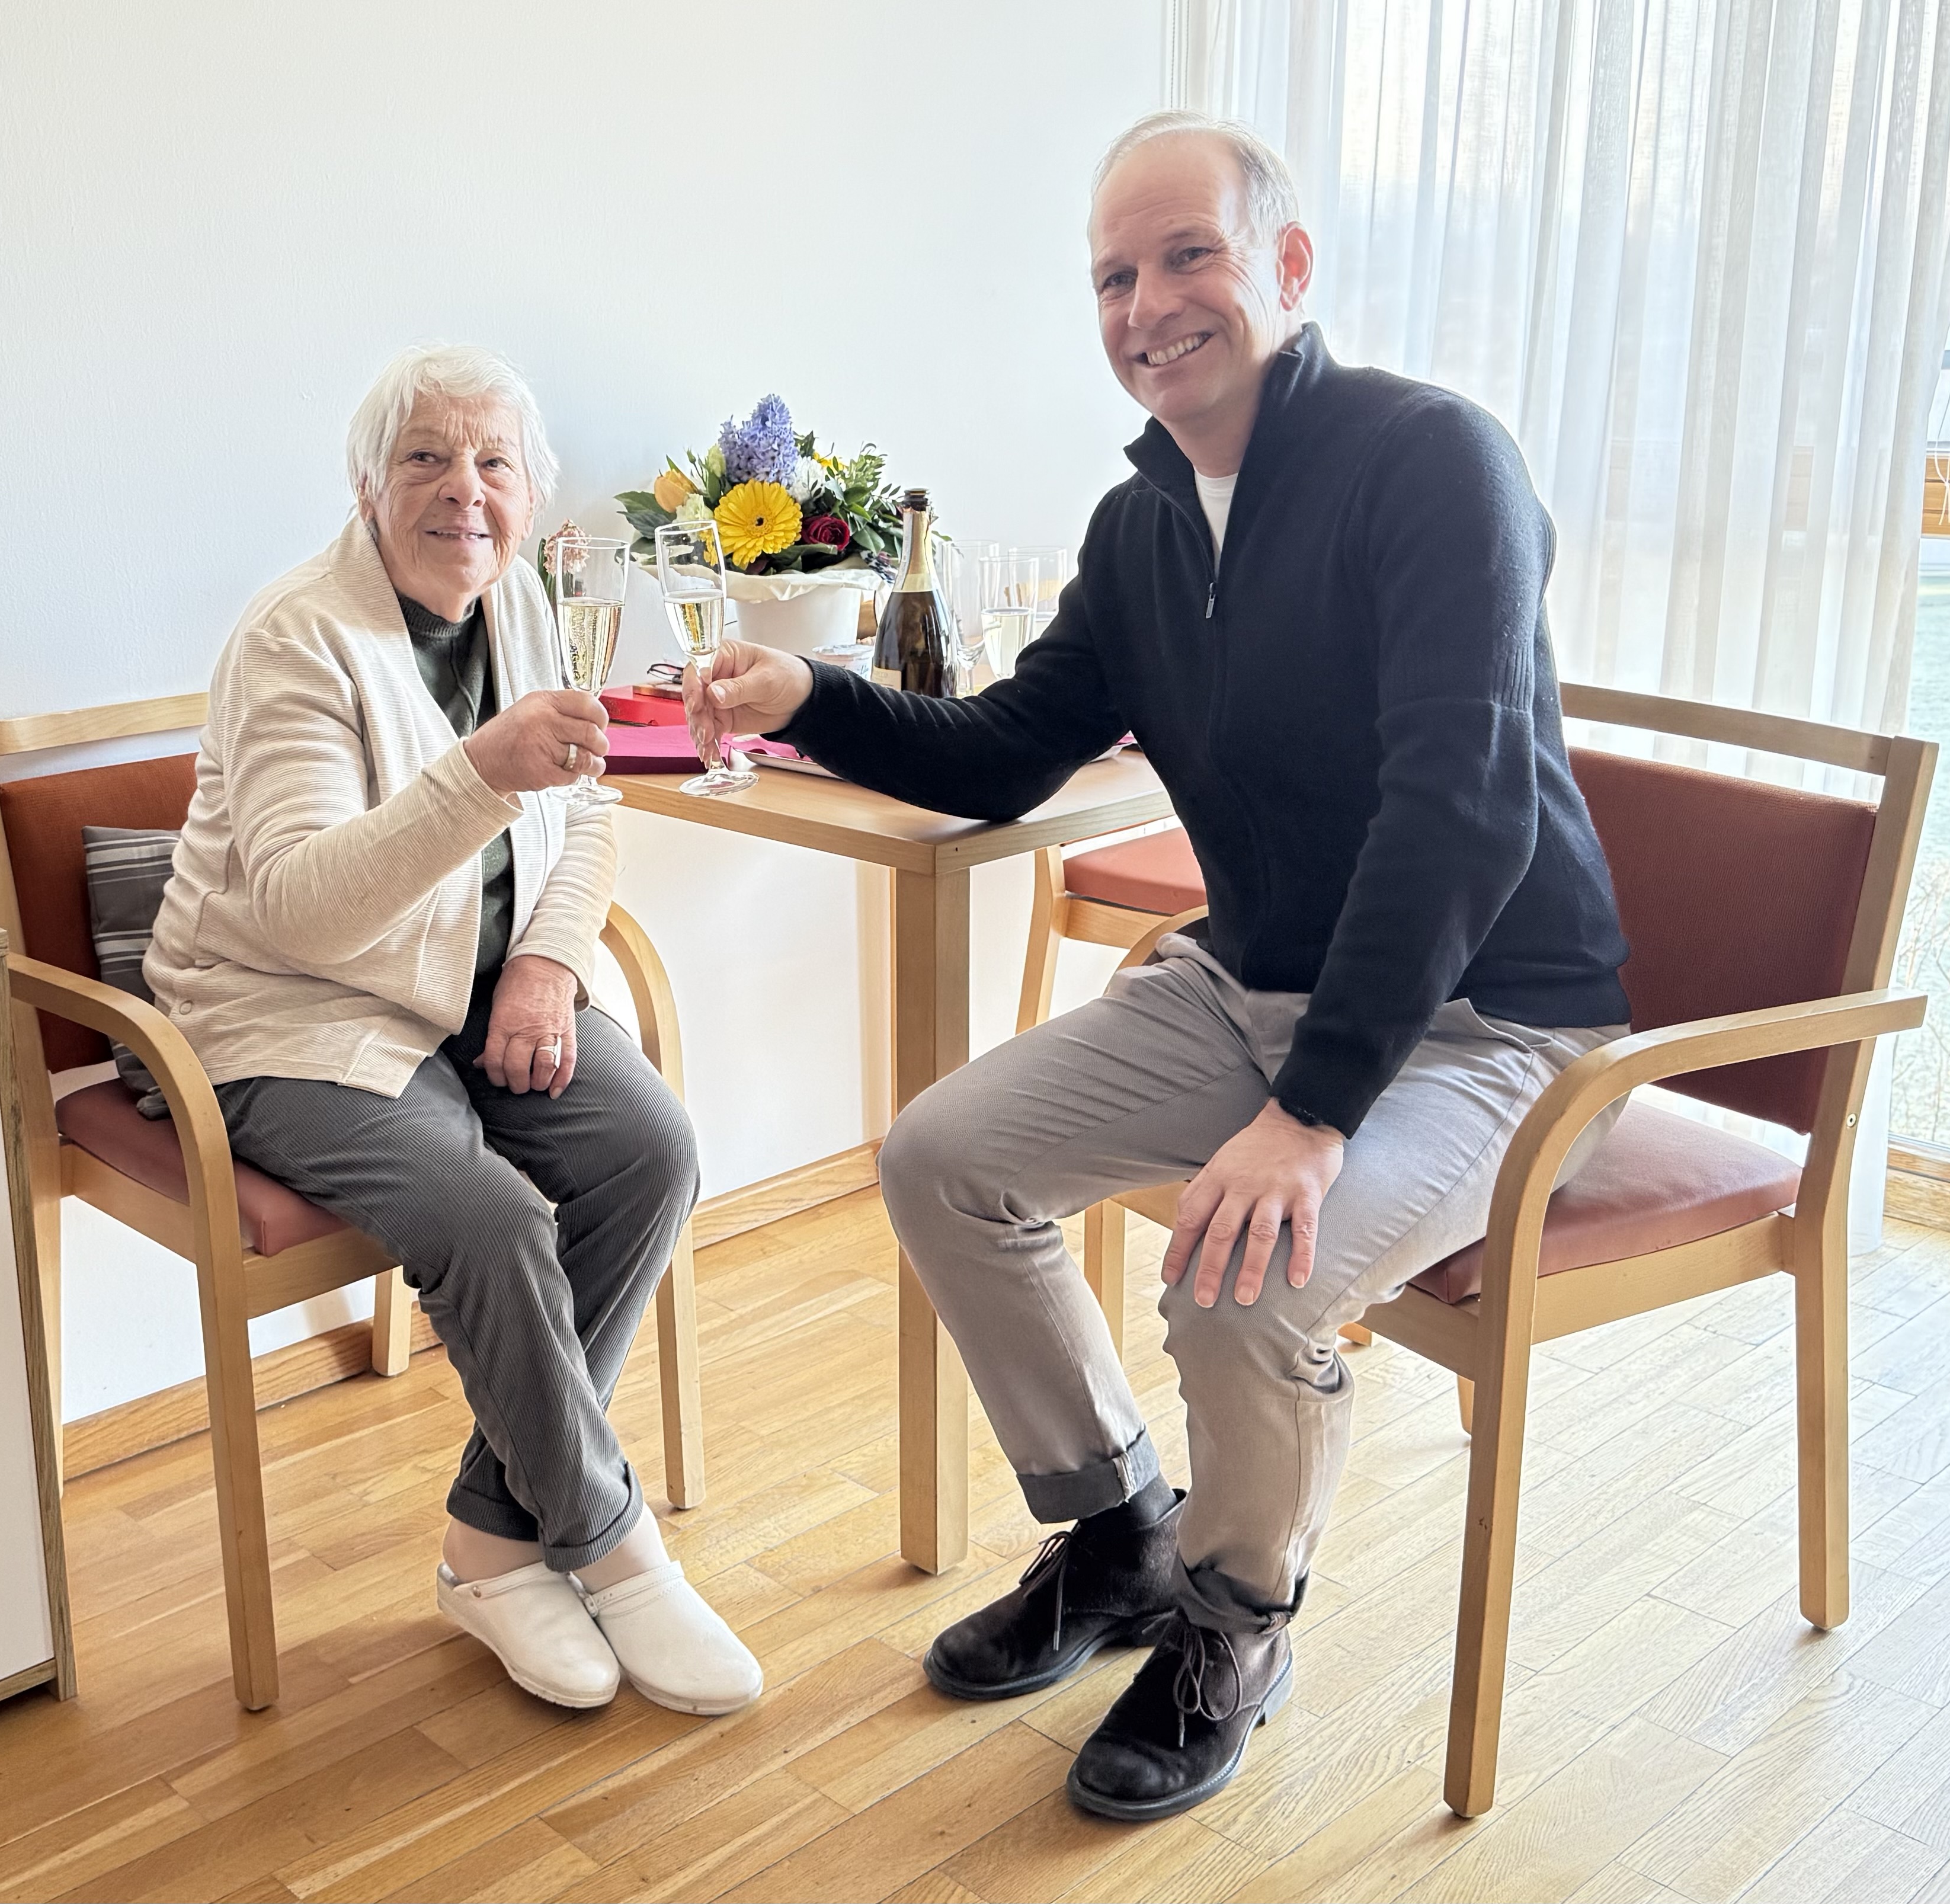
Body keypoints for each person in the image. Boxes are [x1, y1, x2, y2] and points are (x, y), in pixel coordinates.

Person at [685, 113, 1633, 1819]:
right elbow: (1007, 750)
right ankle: (1119, 1526)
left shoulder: (1435, 463)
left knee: (1240, 1282)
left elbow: (1462, 809)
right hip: (1249, 980)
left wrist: (1311, 1114)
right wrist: (808, 696)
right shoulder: (1140, 530)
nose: (1148, 304)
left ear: (1289, 265)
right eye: (1114, 276)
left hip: (1486, 1020)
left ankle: (1236, 1619)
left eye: (1188, 254)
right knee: (941, 1156)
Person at [140, 343, 760, 1718]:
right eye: (425, 457)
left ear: (531, 494)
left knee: (650, 1149)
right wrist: (483, 771)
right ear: (367, 488)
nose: (462, 489)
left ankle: (490, 1544)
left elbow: (589, 812)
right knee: (490, 1218)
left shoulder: (524, 603)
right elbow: (300, 910)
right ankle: (613, 1546)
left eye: (493, 463)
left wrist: (546, 964)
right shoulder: (295, 639)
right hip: (288, 1016)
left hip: (474, 989)